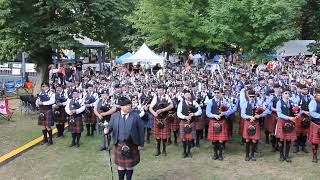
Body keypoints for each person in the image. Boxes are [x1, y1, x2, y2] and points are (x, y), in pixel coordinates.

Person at [104, 96, 144, 180]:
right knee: (121, 166)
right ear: (121, 106)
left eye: (129, 105)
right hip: (119, 143)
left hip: (132, 144)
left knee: (129, 166)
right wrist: (107, 130)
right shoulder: (114, 116)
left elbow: (141, 130)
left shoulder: (135, 116)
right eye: (126, 105)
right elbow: (110, 127)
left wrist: (141, 144)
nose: (128, 107)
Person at [149, 85, 174, 156]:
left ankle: (164, 150)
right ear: (157, 91)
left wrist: (163, 110)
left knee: (164, 136)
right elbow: (150, 107)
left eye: (161, 90)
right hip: (157, 118)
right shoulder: (155, 98)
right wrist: (154, 113)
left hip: (164, 118)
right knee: (157, 135)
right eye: (158, 90)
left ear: (163, 90)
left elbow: (171, 106)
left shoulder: (167, 97)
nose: (159, 91)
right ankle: (158, 150)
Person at [177, 89, 202, 158]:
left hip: (191, 122)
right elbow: (178, 113)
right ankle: (184, 152)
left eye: (189, 95)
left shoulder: (194, 102)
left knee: (190, 138)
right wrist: (185, 117)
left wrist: (194, 114)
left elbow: (200, 111)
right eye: (186, 95)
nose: (188, 96)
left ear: (190, 95)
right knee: (184, 138)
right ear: (184, 96)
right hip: (183, 122)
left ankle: (189, 151)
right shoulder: (181, 103)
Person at [275, 88, 297, 162]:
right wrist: (289, 117)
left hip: (290, 122)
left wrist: (295, 112)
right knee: (281, 139)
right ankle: (281, 155)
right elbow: (279, 114)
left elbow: (295, 111)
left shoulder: (291, 102)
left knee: (288, 139)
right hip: (282, 121)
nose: (287, 95)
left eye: (288, 93)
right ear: (282, 94)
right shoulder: (279, 102)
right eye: (286, 93)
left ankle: (287, 156)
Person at [308, 88, 320, 163]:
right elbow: (312, 113)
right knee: (315, 141)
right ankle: (314, 156)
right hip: (316, 123)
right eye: (318, 94)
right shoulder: (313, 102)